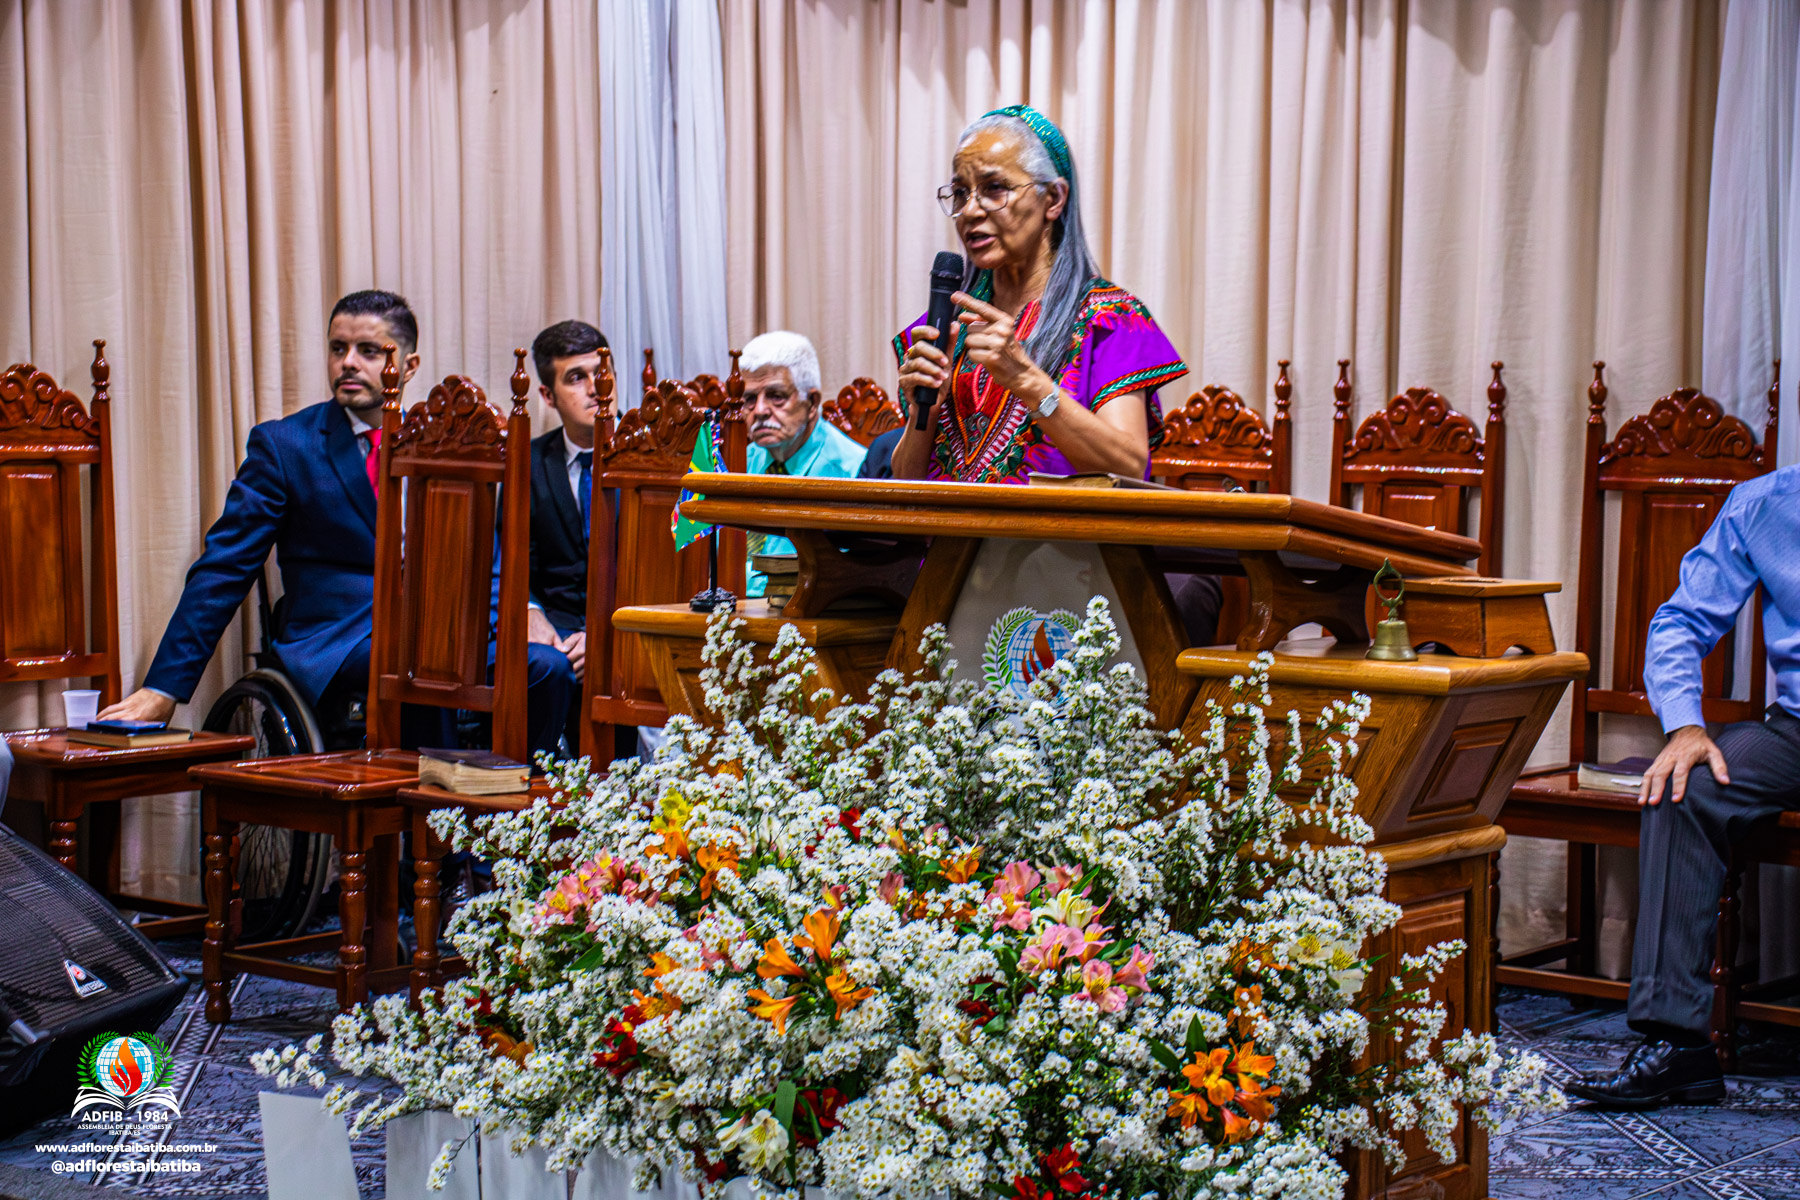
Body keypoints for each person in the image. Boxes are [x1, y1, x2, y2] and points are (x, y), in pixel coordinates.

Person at [100, 290, 576, 759]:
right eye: (338, 348)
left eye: (368, 350)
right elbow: (224, 568)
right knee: (422, 667)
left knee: (547, 667)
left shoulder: (440, 444)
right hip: (339, 640)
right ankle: (437, 803)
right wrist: (163, 688)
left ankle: (518, 801)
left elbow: (483, 556)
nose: (348, 362)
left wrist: (513, 618)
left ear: (409, 366)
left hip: (442, 637)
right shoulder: (286, 446)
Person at [1568, 464, 1800, 1109]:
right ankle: (1678, 1046)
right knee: (1684, 784)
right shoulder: (1764, 504)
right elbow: (1680, 622)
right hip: (1796, 731)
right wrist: (1686, 726)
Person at [894, 104, 1187, 485]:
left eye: (994, 188)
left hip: (1055, 527)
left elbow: (1129, 468)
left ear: (1053, 199)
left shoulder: (1111, 319)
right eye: (961, 193)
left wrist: (1028, 381)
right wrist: (926, 411)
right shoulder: (943, 328)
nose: (970, 211)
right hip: (945, 527)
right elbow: (905, 484)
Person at [739, 331, 867, 597]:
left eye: (776, 396)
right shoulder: (738, 463)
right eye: (750, 399)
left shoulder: (854, 472)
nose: (759, 410)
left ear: (811, 403)